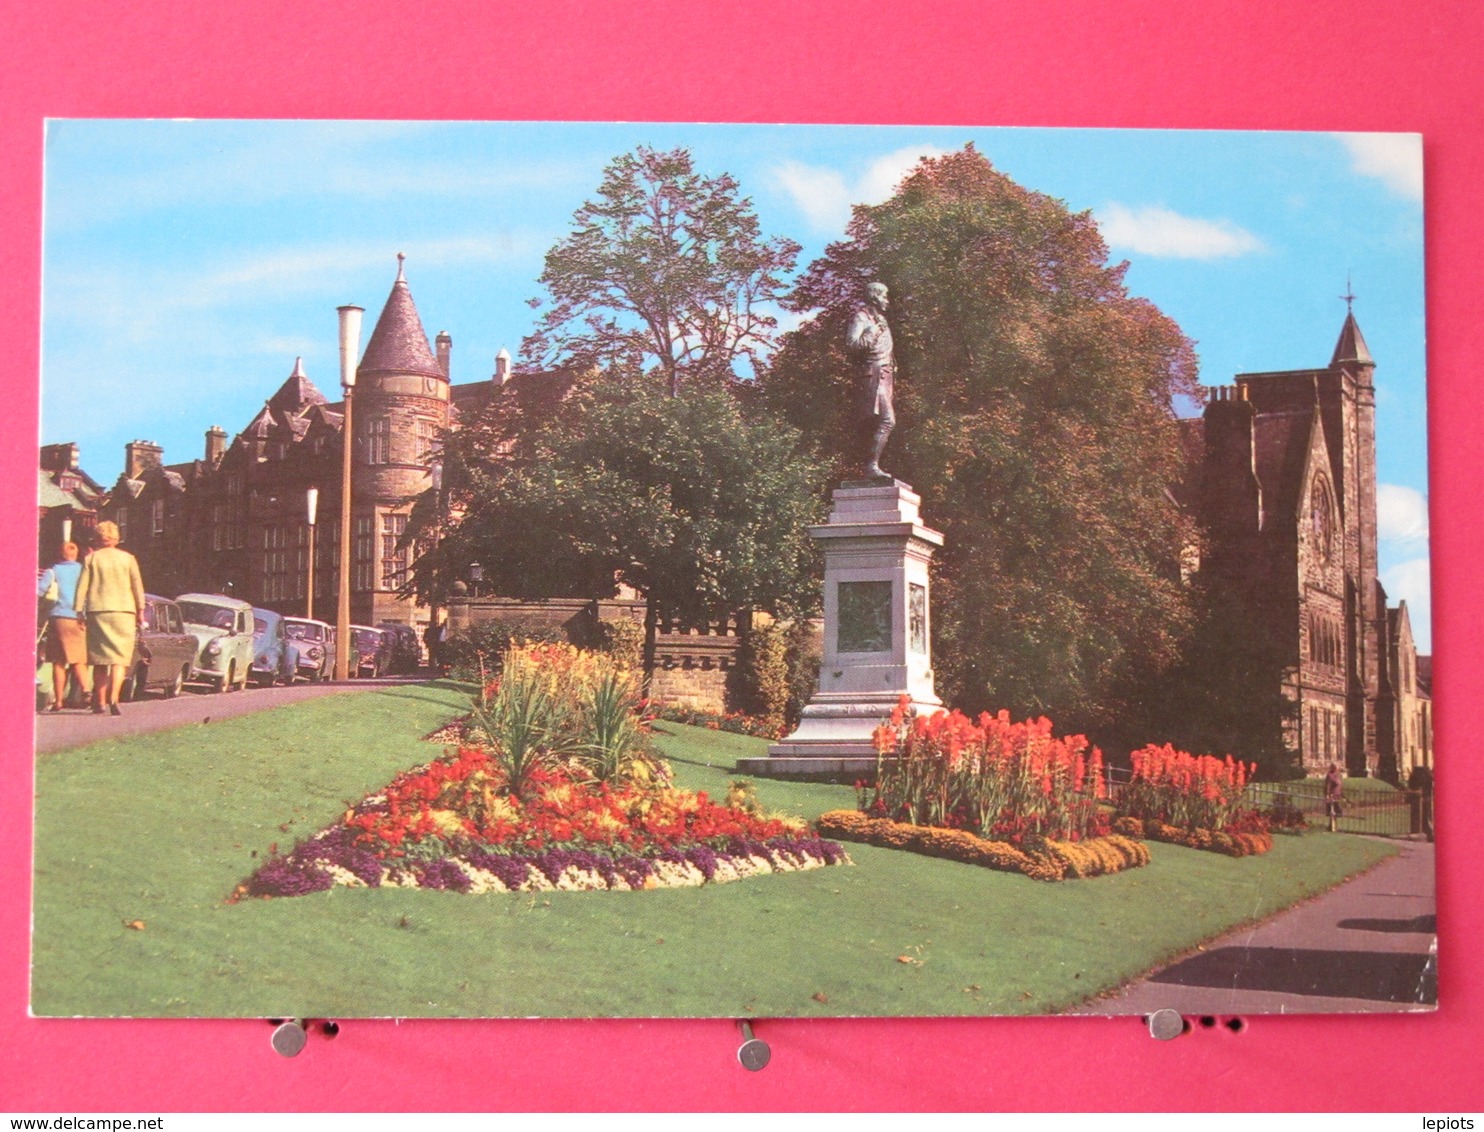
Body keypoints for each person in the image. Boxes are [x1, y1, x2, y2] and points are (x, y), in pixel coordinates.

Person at [73, 520, 145, 716]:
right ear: (116, 537)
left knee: (100, 660)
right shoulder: (128, 558)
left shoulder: (92, 559)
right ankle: (114, 698)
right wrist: (140, 610)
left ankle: (100, 701)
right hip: (124, 612)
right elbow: (137, 586)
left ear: (98, 538)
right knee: (119, 660)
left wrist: (79, 610)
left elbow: (82, 586)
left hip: (99, 612)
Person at [845, 280, 897, 480]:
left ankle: (871, 466)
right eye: (884, 296)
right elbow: (852, 345)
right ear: (875, 297)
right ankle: (870, 466)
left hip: (885, 375)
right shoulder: (862, 318)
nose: (887, 301)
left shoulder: (880, 319)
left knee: (878, 422)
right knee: (887, 420)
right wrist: (872, 331)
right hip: (873, 373)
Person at [36, 542, 90, 711]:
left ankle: (59, 701)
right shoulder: (83, 570)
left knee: (58, 661)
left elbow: (39, 591)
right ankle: (86, 689)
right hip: (79, 618)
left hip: (58, 618)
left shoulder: (53, 571)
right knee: (78, 659)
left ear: (60, 554)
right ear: (76, 555)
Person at [1323, 762, 1345, 833]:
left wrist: (1342, 794)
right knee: (1333, 812)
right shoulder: (1330, 775)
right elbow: (1327, 786)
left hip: (1338, 796)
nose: (1337, 768)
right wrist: (1327, 796)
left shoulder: (1337, 775)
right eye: (1336, 767)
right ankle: (1332, 827)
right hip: (1332, 796)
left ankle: (1332, 826)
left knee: (1336, 812)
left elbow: (1340, 785)